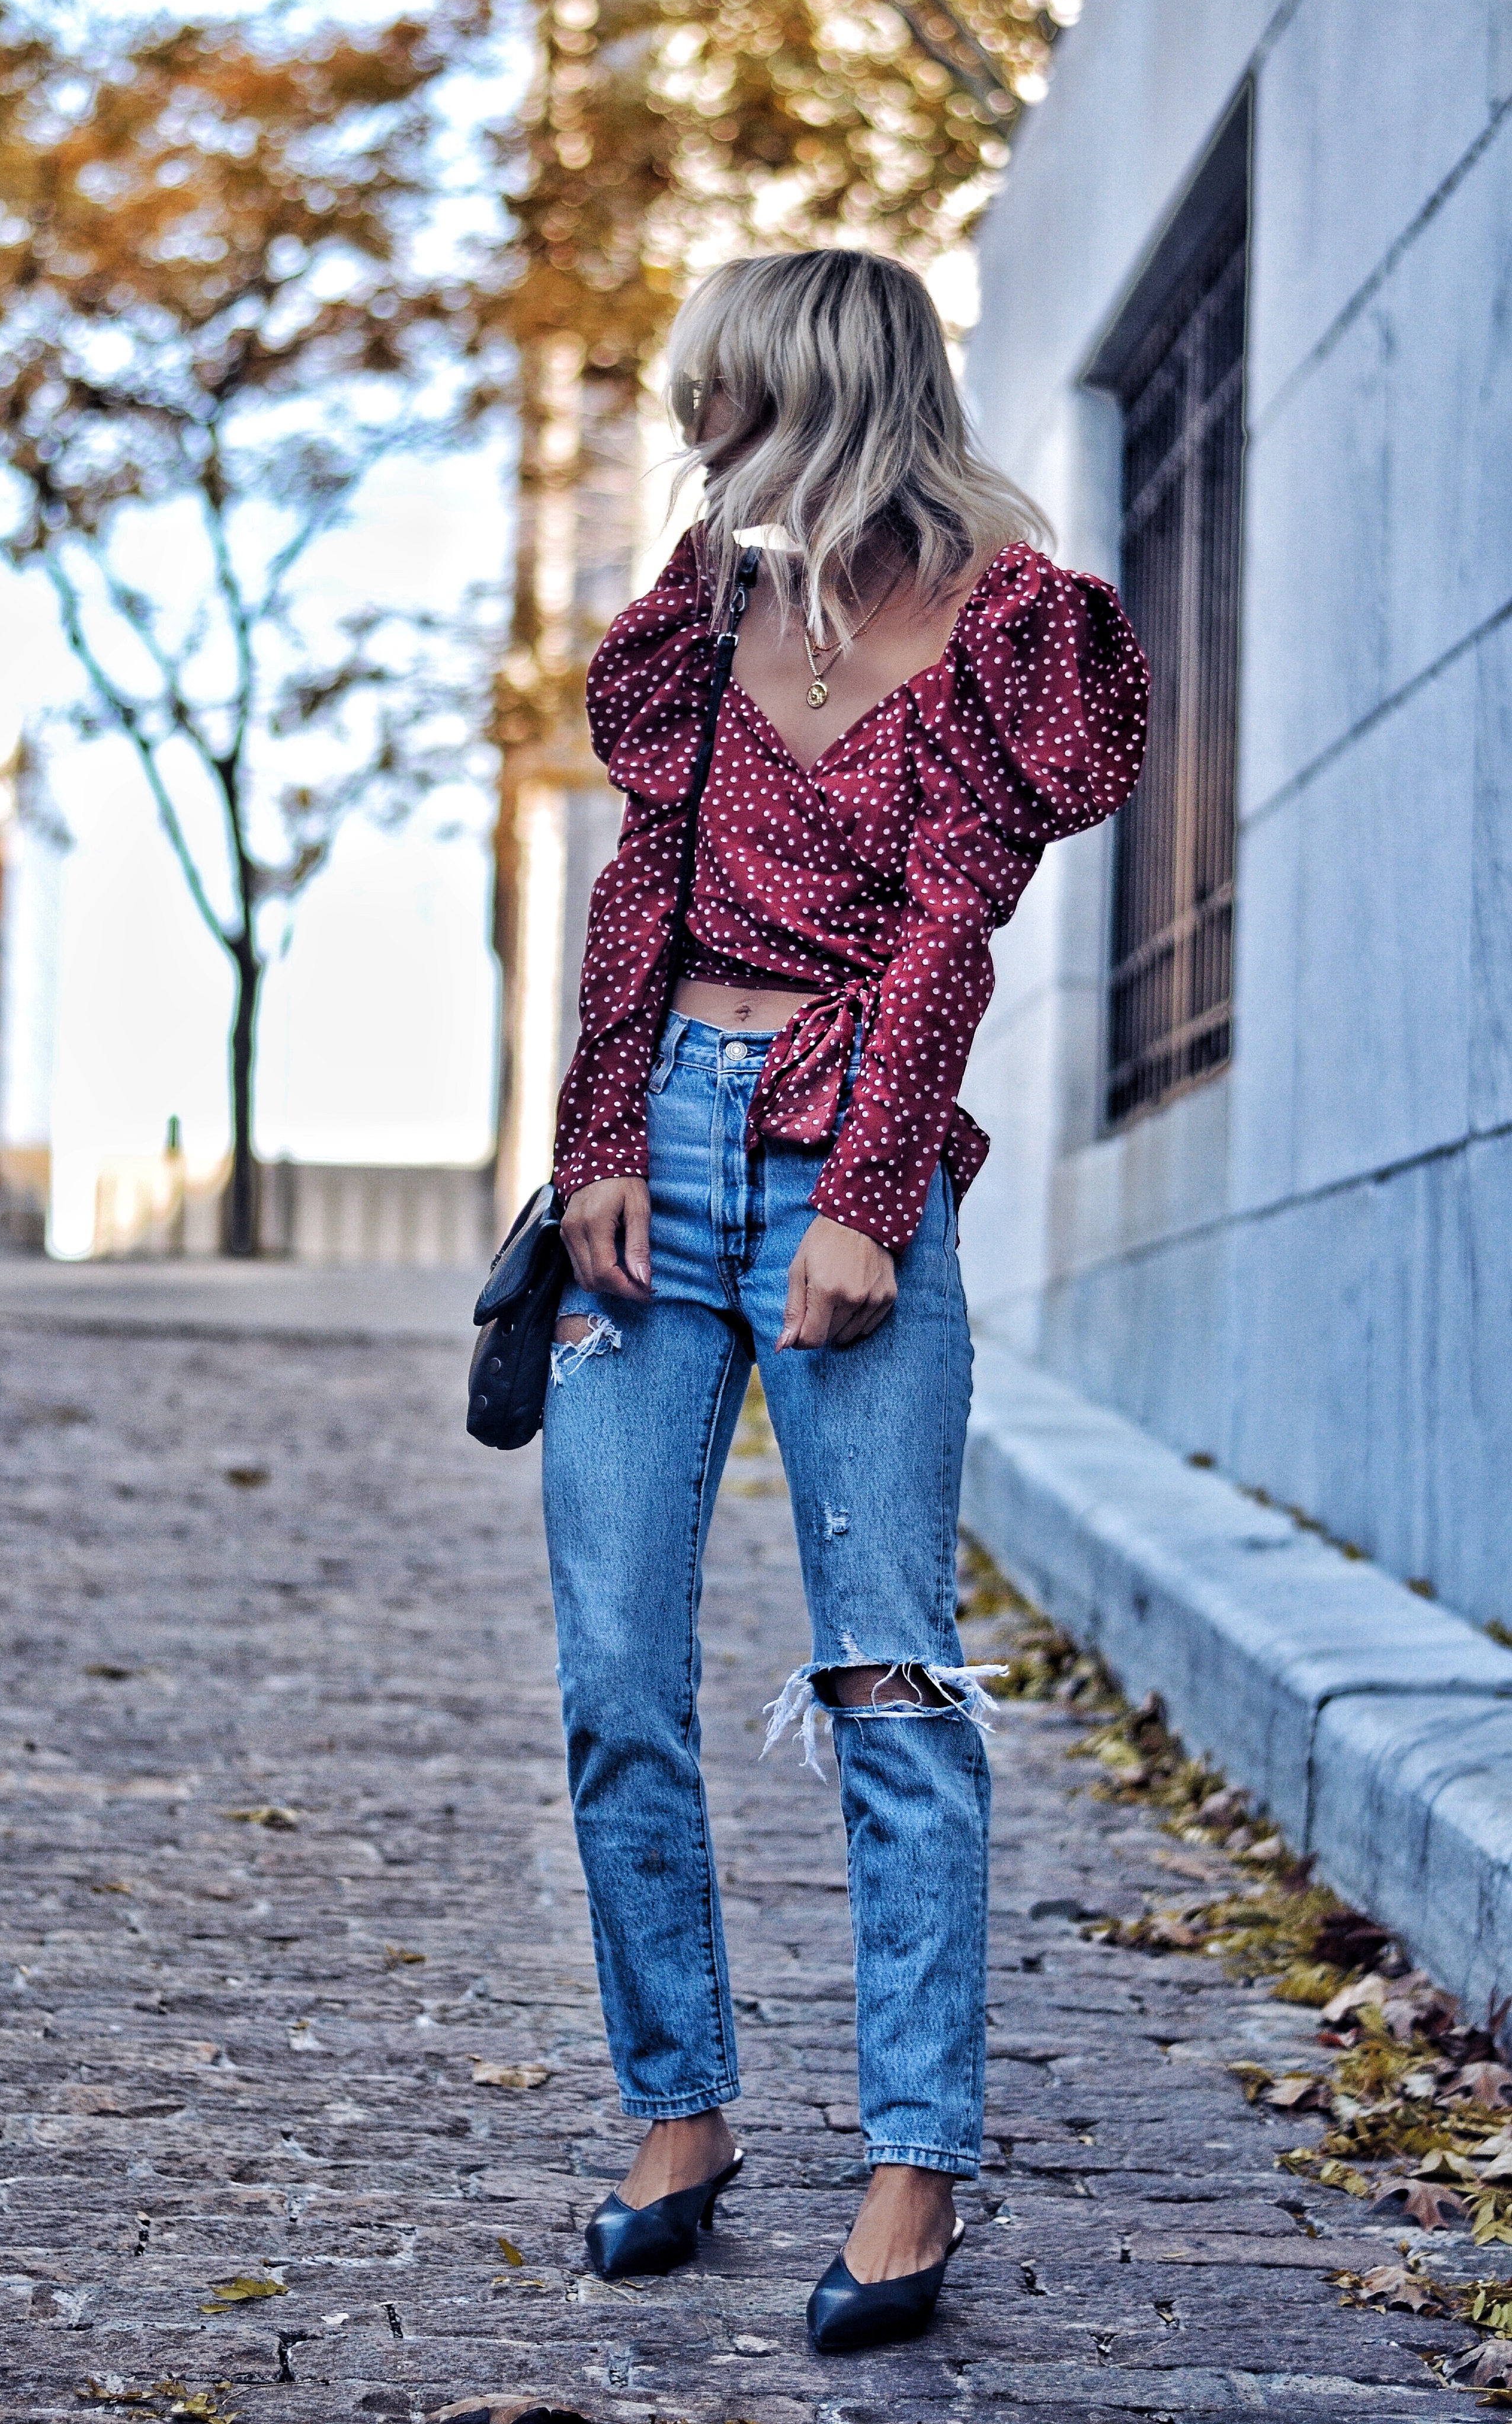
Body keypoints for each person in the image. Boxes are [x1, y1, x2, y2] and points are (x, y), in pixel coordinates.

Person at [540, 247, 1148, 2354]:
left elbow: (945, 943)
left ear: (817, 400)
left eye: (722, 398)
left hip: (840, 1155)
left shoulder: (1007, 641)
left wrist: (869, 1199)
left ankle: (914, 2159)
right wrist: (595, 1142)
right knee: (617, 1667)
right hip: (663, 1168)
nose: (692, 434)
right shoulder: (696, 617)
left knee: (889, 1672)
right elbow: (641, 892)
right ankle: (678, 2109)